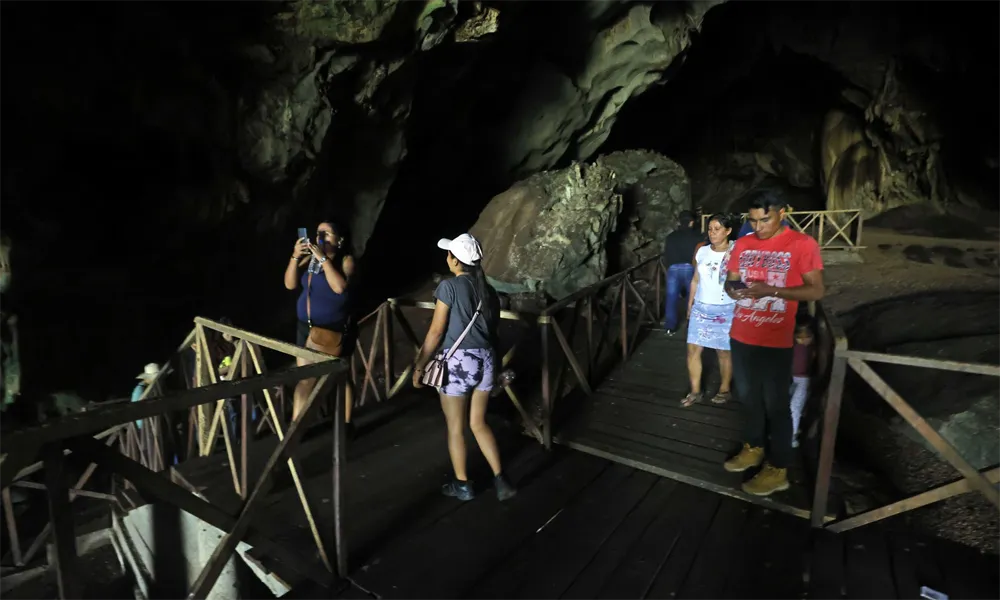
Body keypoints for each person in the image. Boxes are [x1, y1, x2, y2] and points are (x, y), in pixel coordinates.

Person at [723, 191, 825, 497]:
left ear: (783, 212)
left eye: (765, 219)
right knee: (748, 397)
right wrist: (734, 292)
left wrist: (772, 291)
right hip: (741, 334)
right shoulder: (743, 243)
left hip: (777, 339)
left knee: (777, 405)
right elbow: (731, 280)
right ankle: (753, 446)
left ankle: (778, 468)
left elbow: (817, 290)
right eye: (753, 220)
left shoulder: (802, 244)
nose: (759, 226)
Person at [412, 233, 516, 502]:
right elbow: (493, 332)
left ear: (455, 260)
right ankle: (501, 479)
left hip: (459, 362)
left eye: (449, 254)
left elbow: (436, 332)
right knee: (478, 423)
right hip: (486, 359)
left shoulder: (449, 287)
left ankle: (462, 484)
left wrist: (420, 367)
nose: (447, 257)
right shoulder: (488, 291)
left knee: (456, 427)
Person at [285, 221, 355, 424]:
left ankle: (344, 423)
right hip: (304, 327)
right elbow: (289, 284)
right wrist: (296, 255)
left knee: (338, 377)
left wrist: (323, 259)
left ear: (340, 240)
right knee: (306, 378)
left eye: (327, 233)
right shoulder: (308, 260)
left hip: (331, 330)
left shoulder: (346, 261)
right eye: (318, 233)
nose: (321, 236)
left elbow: (340, 288)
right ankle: (302, 424)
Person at [681, 214, 737, 407]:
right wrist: (690, 305)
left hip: (726, 308)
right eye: (710, 229)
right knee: (692, 350)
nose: (712, 233)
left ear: (728, 231)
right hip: (701, 307)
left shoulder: (736, 251)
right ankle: (695, 391)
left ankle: (725, 389)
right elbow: (696, 279)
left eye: (717, 229)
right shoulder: (702, 251)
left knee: (723, 352)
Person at [661, 210, 703, 334]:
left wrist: (668, 268)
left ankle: (670, 326)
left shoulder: (671, 236)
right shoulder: (698, 236)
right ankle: (692, 324)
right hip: (690, 268)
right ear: (691, 222)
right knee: (693, 298)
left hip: (673, 269)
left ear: (679, 222)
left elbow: (666, 255)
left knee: (671, 298)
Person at [790, 315, 816, 449]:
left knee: (795, 407)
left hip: (804, 380)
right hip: (790, 377)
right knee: (789, 406)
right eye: (800, 336)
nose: (804, 339)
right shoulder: (791, 345)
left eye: (808, 336)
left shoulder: (815, 349)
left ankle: (792, 436)